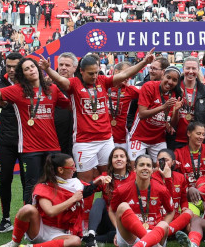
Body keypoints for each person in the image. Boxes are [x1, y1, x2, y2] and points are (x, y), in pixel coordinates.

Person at [0, 57, 69, 209]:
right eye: (27, 69)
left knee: (55, 184)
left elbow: (70, 105)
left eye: (33, 66)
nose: (31, 70)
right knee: (32, 186)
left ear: (38, 68)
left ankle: (52, 222)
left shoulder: (52, 89)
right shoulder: (17, 91)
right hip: (30, 148)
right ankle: (31, 223)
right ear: (22, 75)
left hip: (52, 147)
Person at [41, 52, 153, 181]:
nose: (94, 76)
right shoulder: (74, 84)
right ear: (81, 71)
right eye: (90, 73)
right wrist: (48, 69)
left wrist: (144, 62)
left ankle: (109, 202)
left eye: (96, 72)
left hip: (105, 140)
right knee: (86, 182)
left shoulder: (102, 81)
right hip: (84, 142)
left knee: (111, 179)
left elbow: (124, 74)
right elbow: (60, 80)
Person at [0, 153, 109, 247]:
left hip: (61, 233)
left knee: (75, 241)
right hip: (40, 229)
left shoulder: (74, 183)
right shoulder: (43, 187)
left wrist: (97, 181)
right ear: (60, 170)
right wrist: (72, 199)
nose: (74, 169)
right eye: (72, 167)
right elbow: (50, 211)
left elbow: (86, 190)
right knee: (27, 209)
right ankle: (14, 243)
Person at [110, 154, 176, 247]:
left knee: (164, 224)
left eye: (148, 165)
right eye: (141, 165)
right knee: (122, 206)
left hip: (154, 234)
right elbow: (112, 210)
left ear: (152, 170)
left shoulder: (161, 189)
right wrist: (118, 228)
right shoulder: (122, 189)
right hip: (130, 237)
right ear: (135, 169)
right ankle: (153, 246)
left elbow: (171, 211)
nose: (145, 167)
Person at [0, 52, 23, 234]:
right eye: (8, 67)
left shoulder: (30, 83)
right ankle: (5, 219)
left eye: (15, 67)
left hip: (28, 141)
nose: (11, 70)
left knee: (29, 182)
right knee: (5, 180)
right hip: (6, 141)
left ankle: (30, 218)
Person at [128, 66, 182, 160]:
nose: (170, 82)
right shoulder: (149, 86)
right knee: (135, 167)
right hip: (139, 137)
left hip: (158, 139)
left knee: (162, 167)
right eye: (168, 77)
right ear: (163, 75)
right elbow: (142, 114)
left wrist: (176, 110)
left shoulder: (174, 95)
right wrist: (164, 107)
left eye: (174, 80)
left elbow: (172, 124)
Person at [169, 56, 205, 150]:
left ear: (198, 70)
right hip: (175, 140)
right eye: (188, 68)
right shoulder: (174, 88)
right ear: (183, 69)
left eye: (194, 68)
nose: (190, 71)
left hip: (195, 142)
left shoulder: (204, 91)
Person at [175, 121, 205, 185]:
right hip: (187, 191)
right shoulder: (179, 153)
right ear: (189, 133)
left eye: (203, 134)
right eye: (198, 134)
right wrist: (173, 165)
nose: (201, 137)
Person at [54, 53, 77, 157]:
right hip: (55, 137)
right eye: (61, 64)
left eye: (67, 65)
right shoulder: (49, 86)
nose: (63, 68)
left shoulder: (80, 85)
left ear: (75, 68)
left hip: (78, 137)